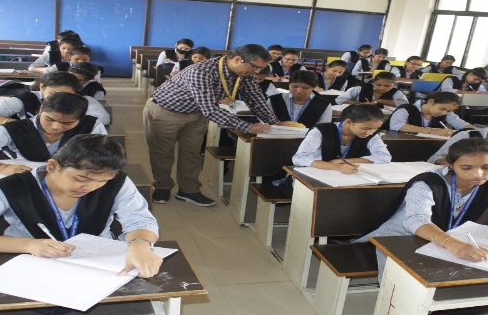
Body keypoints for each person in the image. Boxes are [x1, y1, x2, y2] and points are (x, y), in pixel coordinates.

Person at [356, 138, 488, 315]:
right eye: (466, 168)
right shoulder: (427, 183)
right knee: (405, 292)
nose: (478, 174)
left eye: (487, 167)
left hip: (447, 243)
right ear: (450, 164)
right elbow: (415, 221)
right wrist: (452, 244)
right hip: (398, 242)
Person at [0, 134, 163, 278]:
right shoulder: (10, 187)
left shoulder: (118, 183)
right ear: (52, 166)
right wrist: (28, 245)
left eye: (103, 181)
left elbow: (139, 219)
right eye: (81, 178)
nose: (91, 187)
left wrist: (140, 245)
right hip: (28, 261)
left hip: (97, 261)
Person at [144, 44, 291, 206]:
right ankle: (162, 187)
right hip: (166, 111)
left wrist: (274, 122)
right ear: (237, 59)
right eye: (255, 67)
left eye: (261, 69)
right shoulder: (201, 72)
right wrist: (247, 127)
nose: (256, 72)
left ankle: (188, 190)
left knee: (192, 154)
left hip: (196, 115)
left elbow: (255, 97)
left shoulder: (245, 72)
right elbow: (211, 110)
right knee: (162, 152)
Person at [0, 92, 107, 167]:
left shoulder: (92, 125)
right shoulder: (15, 128)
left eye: (68, 123)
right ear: (40, 110)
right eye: (49, 119)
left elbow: (104, 157)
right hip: (26, 178)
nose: (56, 127)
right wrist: (0, 168)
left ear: (81, 118)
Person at [292, 104, 391, 174]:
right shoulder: (321, 131)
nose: (370, 132)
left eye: (376, 128)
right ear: (348, 122)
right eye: (365, 128)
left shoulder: (372, 134)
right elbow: (299, 158)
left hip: (346, 175)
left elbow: (384, 156)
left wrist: (342, 161)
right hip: (316, 173)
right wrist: (337, 167)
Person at [0, 72, 110, 126]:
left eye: (66, 94)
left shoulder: (83, 100)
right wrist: (20, 125)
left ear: (74, 92)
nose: (58, 98)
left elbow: (103, 119)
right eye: (52, 93)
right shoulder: (26, 99)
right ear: (42, 87)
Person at [267, 70, 332, 127]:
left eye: (305, 88)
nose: (299, 90)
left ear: (313, 88)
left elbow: (323, 128)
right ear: (289, 84)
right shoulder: (274, 100)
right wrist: (278, 124)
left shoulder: (323, 104)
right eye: (295, 86)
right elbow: (265, 122)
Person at [387, 91, 469, 136]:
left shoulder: (446, 112)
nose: (444, 113)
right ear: (431, 102)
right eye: (442, 109)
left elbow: (461, 124)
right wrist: (433, 131)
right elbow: (396, 125)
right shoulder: (406, 108)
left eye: (448, 111)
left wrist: (473, 131)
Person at [334, 72, 408, 107]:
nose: (382, 88)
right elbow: (339, 99)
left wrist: (378, 101)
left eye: (387, 86)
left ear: (394, 84)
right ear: (373, 82)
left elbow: (404, 104)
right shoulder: (360, 88)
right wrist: (360, 104)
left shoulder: (396, 92)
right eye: (378, 85)